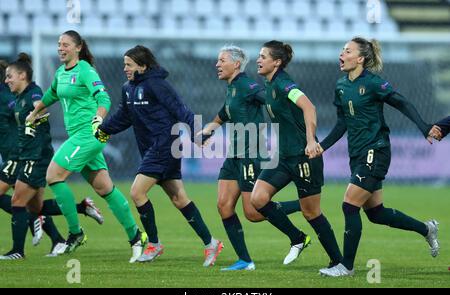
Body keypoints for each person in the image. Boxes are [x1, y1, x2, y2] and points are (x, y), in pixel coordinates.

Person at [317, 37, 439, 277]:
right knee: (376, 213)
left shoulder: (373, 83)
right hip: (357, 153)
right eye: (342, 50)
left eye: (347, 51)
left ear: (360, 58)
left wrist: (424, 126)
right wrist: (323, 146)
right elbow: (342, 122)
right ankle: (427, 229)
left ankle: (346, 266)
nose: (342, 54)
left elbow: (400, 102)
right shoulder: (341, 85)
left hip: (376, 150)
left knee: (349, 205)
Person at [95, 45, 223, 266]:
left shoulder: (157, 85)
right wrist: (103, 131)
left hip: (165, 146)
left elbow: (181, 110)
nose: (125, 68)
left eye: (129, 64)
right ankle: (211, 243)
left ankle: (154, 244)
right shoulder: (128, 88)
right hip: (150, 148)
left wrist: (197, 134)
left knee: (137, 192)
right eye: (124, 64)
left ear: (142, 66)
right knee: (179, 198)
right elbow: (123, 117)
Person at [26, 31, 145, 263]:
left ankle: (75, 233)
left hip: (89, 134)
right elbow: (51, 95)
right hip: (79, 137)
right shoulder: (61, 73)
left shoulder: (86, 71)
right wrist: (34, 112)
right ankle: (136, 237)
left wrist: (99, 118)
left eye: (66, 45)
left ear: (78, 48)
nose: (60, 48)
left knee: (53, 175)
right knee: (105, 189)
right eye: (59, 44)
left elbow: (104, 98)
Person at [200, 45, 302, 271]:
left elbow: (271, 99)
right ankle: (245, 261)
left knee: (253, 213)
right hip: (234, 156)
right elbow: (225, 112)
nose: (217, 64)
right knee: (224, 206)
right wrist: (210, 129)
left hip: (251, 155)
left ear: (236, 64)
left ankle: (301, 209)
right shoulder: (232, 88)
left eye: (222, 60)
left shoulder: (248, 86)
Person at [250, 41, 343, 268]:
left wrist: (311, 141)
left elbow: (309, 107)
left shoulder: (284, 85)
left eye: (263, 56)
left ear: (277, 62)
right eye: (259, 56)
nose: (258, 60)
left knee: (311, 213)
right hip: (283, 157)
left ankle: (338, 262)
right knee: (258, 199)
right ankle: (297, 238)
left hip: (304, 157)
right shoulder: (269, 84)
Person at [0, 54, 100, 259]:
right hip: (26, 154)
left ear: (21, 75)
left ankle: (17, 251)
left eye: (9, 76)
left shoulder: (33, 94)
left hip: (34, 156)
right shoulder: (19, 97)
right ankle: (81, 209)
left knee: (18, 201)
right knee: (33, 206)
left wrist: (35, 118)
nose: (6, 80)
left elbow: (43, 109)